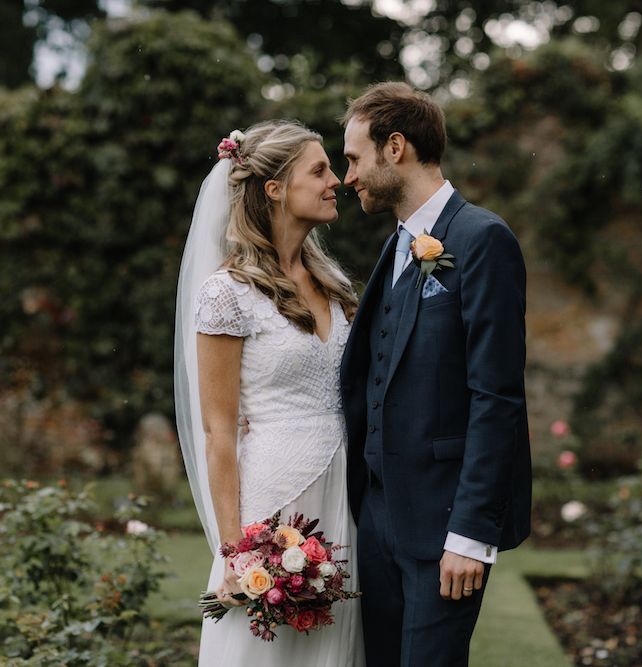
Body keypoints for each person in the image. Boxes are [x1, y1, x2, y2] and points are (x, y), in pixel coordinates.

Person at [339, 82, 532, 666]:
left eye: (353, 158)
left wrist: (471, 535)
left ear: (394, 147)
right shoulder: (395, 245)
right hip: (375, 522)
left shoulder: (483, 239)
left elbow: (496, 396)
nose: (348, 177)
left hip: (445, 529)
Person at [174, 120, 365, 666]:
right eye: (320, 170)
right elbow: (218, 431)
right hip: (275, 502)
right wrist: (236, 552)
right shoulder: (227, 294)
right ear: (274, 188)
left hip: (344, 495)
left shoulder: (335, 285)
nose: (337, 181)